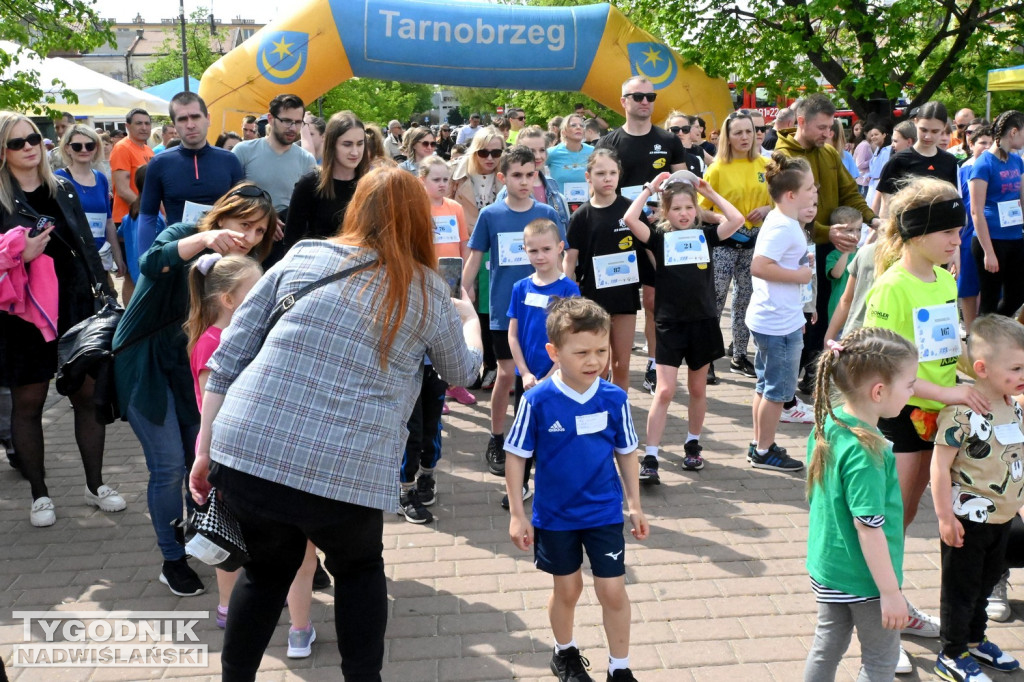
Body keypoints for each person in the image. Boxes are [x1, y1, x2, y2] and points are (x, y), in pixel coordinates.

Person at [188, 165, 483, 681]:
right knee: (359, 571)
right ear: (418, 221)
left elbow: (230, 353)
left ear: (357, 209)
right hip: (347, 468)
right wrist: (472, 323)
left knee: (263, 573)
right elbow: (463, 372)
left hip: (252, 447)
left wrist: (205, 446)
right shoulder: (427, 290)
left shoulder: (303, 256)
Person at [113, 182, 277, 597]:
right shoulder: (182, 233)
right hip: (143, 363)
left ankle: (206, 545)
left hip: (194, 365)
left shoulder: (245, 263)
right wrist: (202, 239)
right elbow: (149, 264)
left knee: (198, 463)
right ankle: (173, 560)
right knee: (168, 467)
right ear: (221, 216)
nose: (251, 237)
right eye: (245, 225)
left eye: (260, 231)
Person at [864, 177, 988, 667]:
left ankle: (893, 608)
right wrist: (949, 392)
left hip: (938, 420)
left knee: (907, 517)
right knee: (889, 521)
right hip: (900, 420)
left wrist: (979, 377)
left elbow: (945, 350)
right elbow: (884, 371)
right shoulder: (891, 287)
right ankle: (880, 628)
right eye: (950, 234)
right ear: (917, 234)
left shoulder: (943, 278)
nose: (958, 241)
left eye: (959, 233)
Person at [504, 296, 647, 682]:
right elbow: (516, 457)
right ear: (554, 352)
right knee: (568, 589)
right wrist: (518, 514)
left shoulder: (614, 398)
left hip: (603, 512)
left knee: (613, 591)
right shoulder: (537, 401)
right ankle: (564, 653)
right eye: (581, 352)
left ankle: (620, 668)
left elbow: (627, 453)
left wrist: (634, 504)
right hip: (554, 516)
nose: (593, 361)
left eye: (601, 351)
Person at [0, 111, 122, 527]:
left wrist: (105, 294)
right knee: (28, 403)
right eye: (17, 143)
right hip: (23, 316)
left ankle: (95, 484)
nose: (30, 146)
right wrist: (21, 254)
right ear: (3, 151)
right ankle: (39, 494)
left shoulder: (64, 189)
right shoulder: (1, 198)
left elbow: (87, 247)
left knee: (87, 397)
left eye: (34, 137)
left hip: (74, 307)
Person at [803, 327, 917, 682]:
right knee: (881, 661)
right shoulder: (870, 452)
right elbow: (868, 529)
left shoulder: (828, 424)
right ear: (879, 391)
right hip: (866, 581)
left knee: (827, 646)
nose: (914, 391)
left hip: (828, 569)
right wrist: (891, 593)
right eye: (910, 384)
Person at [624, 169, 744, 479]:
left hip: (702, 323)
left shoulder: (705, 235)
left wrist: (709, 191)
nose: (684, 214)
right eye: (676, 208)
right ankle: (650, 456)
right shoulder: (660, 238)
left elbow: (737, 220)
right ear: (666, 211)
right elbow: (630, 219)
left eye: (689, 207)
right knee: (664, 391)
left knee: (697, 388)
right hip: (669, 324)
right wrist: (649, 187)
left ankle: (693, 445)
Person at [928, 315, 1024, 682]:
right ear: (982, 368)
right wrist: (943, 518)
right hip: (966, 521)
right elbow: (939, 468)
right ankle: (951, 653)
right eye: (1014, 368)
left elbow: (1014, 461)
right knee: (961, 590)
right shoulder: (961, 412)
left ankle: (975, 639)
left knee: (985, 584)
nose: (1021, 375)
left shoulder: (1012, 405)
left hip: (1001, 519)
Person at [463, 146, 563, 479]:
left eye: (529, 174)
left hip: (544, 314)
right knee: (507, 377)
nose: (524, 181)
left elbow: (560, 260)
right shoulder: (491, 215)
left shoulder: (546, 212)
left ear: (537, 175)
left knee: (538, 377)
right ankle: (497, 437)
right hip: (503, 313)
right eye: (516, 175)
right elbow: (474, 260)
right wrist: (462, 294)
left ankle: (533, 442)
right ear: (503, 178)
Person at [774, 94, 879, 397]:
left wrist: (874, 220)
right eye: (821, 127)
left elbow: (850, 192)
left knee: (823, 311)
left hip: (828, 247)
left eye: (830, 128)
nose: (827, 134)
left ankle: (813, 372)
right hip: (797, 251)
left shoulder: (831, 154)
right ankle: (786, 382)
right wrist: (824, 231)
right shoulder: (783, 157)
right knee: (801, 315)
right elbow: (786, 211)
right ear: (801, 121)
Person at [185, 252, 263, 628]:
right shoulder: (211, 341)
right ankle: (227, 607)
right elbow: (209, 403)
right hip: (222, 451)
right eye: (256, 291)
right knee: (227, 531)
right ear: (228, 300)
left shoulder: (233, 336)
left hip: (238, 447)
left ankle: (252, 598)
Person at [597, 76, 689, 395]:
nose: (645, 101)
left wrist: (664, 213)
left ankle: (653, 365)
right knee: (613, 306)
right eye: (637, 96)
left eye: (650, 95)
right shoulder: (608, 143)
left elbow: (682, 185)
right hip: (617, 230)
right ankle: (606, 368)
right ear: (623, 101)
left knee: (653, 301)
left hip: (655, 230)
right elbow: (600, 188)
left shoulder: (668, 139)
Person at [745, 153, 819, 472]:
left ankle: (760, 443)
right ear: (791, 195)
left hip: (775, 317)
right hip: (776, 322)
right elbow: (759, 266)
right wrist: (800, 276)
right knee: (777, 392)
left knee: (765, 386)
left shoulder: (783, 222)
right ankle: (764, 450)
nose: (815, 192)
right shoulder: (785, 227)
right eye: (810, 188)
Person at [501, 218, 580, 510]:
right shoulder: (520, 288)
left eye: (547, 248)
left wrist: (549, 375)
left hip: (557, 380)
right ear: (524, 251)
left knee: (555, 434)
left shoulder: (569, 290)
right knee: (524, 434)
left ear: (560, 248)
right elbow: (513, 334)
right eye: (533, 250)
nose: (540, 256)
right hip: (528, 379)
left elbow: (570, 341)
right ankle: (519, 487)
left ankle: (553, 489)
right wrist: (524, 373)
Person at [701, 111, 772, 379]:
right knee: (716, 299)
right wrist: (721, 217)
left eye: (749, 131)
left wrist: (766, 208)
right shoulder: (717, 168)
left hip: (755, 243)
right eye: (738, 132)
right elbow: (700, 209)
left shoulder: (765, 165)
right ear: (727, 138)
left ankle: (739, 354)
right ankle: (707, 358)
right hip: (724, 244)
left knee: (746, 300)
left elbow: (777, 202)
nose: (744, 137)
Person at [564, 150, 640, 392]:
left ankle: (620, 413)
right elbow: (570, 260)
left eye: (612, 173)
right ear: (588, 177)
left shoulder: (630, 210)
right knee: (598, 365)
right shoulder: (581, 215)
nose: (607, 178)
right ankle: (595, 409)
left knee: (622, 363)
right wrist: (569, 294)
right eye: (600, 173)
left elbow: (650, 248)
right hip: (593, 300)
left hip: (626, 296)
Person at [138, 92, 245, 259]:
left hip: (222, 256)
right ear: (174, 124)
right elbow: (147, 216)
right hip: (177, 257)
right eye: (182, 119)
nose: (190, 125)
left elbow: (243, 211)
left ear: (207, 118)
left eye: (195, 117)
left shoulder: (229, 161)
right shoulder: (159, 163)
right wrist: (145, 262)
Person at [449, 126, 505, 389]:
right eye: (484, 152)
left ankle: (493, 365)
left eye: (496, 152)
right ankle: (469, 365)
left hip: (498, 246)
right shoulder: (456, 176)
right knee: (466, 306)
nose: (490, 158)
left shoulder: (508, 176)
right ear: (474, 152)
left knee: (492, 306)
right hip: (465, 247)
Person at [418, 156, 474, 409]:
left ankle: (454, 383)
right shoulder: (417, 208)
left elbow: (464, 244)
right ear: (423, 180)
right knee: (430, 330)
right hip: (426, 276)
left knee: (455, 329)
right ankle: (435, 386)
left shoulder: (455, 208)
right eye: (436, 179)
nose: (442, 184)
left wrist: (467, 280)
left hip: (452, 275)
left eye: (445, 179)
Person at [55, 125, 127, 293]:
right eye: (77, 146)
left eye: (90, 145)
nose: (84, 150)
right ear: (67, 148)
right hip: (74, 261)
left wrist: (118, 257)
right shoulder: (59, 179)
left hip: (100, 258)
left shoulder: (101, 179)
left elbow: (108, 222)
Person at [283, 111, 369, 251]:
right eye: (347, 144)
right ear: (331, 144)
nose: (355, 152)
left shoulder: (371, 184)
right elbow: (291, 239)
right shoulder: (310, 183)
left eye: (360, 144)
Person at [968, 110, 1024, 317]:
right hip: (991, 239)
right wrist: (989, 252)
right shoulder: (984, 163)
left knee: (1016, 296)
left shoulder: (1017, 161)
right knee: (989, 300)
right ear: (1014, 132)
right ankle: (983, 343)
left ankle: (997, 333)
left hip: (1015, 237)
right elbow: (976, 211)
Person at [876, 102, 959, 219]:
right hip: (907, 228)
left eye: (935, 131)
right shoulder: (898, 160)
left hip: (939, 227)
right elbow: (885, 207)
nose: (928, 136)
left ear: (944, 127)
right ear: (915, 122)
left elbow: (953, 199)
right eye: (923, 130)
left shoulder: (949, 161)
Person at [956, 123, 994, 334]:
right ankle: (971, 332)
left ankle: (988, 333)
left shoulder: (997, 167)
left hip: (993, 234)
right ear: (971, 145)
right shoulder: (963, 169)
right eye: (982, 143)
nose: (987, 147)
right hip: (968, 235)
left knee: (991, 287)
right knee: (969, 286)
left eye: (990, 143)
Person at [498, 127, 570, 233]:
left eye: (542, 150)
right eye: (531, 151)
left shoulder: (551, 184)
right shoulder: (507, 193)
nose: (538, 156)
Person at [110, 108, 154, 231]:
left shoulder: (148, 150)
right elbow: (123, 190)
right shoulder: (122, 148)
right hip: (129, 218)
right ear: (127, 126)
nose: (144, 127)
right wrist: (145, 212)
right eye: (139, 123)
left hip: (146, 217)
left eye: (147, 123)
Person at [546, 113, 594, 210]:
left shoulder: (593, 151)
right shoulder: (552, 153)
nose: (578, 128)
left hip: (587, 208)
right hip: (560, 208)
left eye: (581, 125)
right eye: (573, 125)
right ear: (564, 132)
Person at [824, 206, 864, 322]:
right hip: (839, 311)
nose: (855, 234)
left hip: (857, 312)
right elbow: (836, 274)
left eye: (859, 229)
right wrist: (846, 251)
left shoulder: (861, 252)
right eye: (850, 230)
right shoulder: (834, 255)